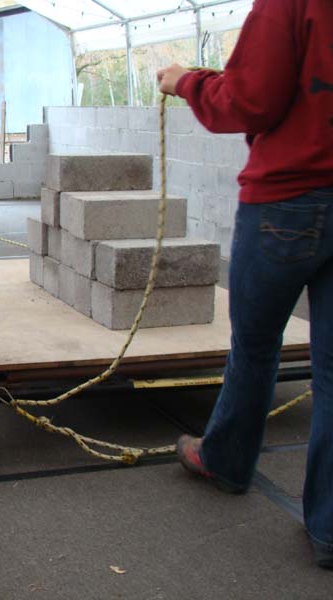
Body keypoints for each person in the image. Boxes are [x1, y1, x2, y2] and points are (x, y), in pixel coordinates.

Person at [157, 0, 333, 569]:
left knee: (255, 346)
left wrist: (187, 80)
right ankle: (329, 528)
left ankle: (228, 462)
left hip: (288, 198)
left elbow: (250, 99)